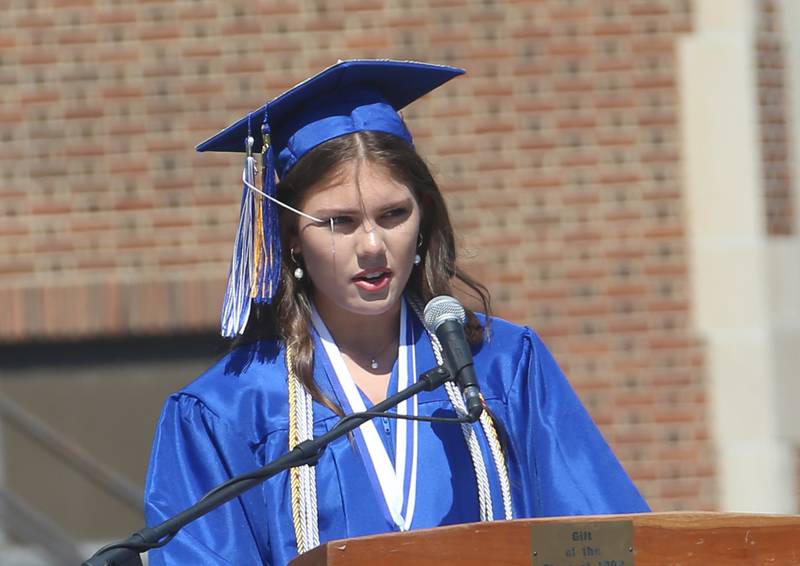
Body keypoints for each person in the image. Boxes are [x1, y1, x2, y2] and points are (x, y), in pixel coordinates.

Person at [144, 59, 649, 566]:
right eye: (338, 222)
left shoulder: (501, 366)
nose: (372, 246)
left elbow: (603, 545)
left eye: (393, 215)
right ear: (292, 237)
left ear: (423, 216)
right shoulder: (229, 410)